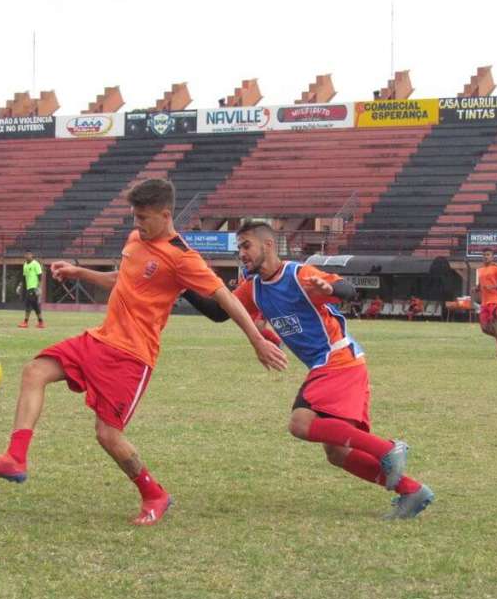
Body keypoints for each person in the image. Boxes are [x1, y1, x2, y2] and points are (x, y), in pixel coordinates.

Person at [0, 179, 287, 526]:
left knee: (107, 435)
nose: (137, 224)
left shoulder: (183, 257)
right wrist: (78, 271)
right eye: (134, 217)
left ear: (165, 215)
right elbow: (123, 278)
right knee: (35, 371)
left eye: (143, 217)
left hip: (132, 357)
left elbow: (225, 300)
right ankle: (15, 457)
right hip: (100, 339)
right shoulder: (136, 239)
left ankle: (155, 494)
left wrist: (257, 340)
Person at [183, 221, 434, 520]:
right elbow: (217, 312)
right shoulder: (254, 289)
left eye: (246, 246)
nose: (242, 254)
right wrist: (183, 282)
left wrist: (331, 288)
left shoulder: (299, 274)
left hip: (337, 360)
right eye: (239, 249)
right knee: (337, 453)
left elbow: (347, 289)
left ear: (268, 245)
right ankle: (411, 490)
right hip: (331, 365)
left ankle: (388, 450)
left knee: (300, 424)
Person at [19, 251, 45, 328]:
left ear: (32, 255)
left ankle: (25, 322)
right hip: (28, 288)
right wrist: (21, 286)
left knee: (28, 304)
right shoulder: (25, 265)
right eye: (26, 254)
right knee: (35, 305)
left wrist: (38, 288)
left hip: (33, 288)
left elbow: (40, 276)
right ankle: (41, 322)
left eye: (29, 254)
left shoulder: (35, 264)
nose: (27, 256)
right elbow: (24, 278)